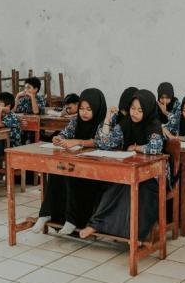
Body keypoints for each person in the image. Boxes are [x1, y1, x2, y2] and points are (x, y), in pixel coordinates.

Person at [80, 89, 165, 240]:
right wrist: (107, 119)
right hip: (131, 170)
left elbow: (155, 147)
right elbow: (104, 143)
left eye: (140, 110)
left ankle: (132, 234)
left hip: (154, 176)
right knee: (114, 185)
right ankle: (97, 224)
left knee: (135, 189)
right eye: (132, 108)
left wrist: (136, 147)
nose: (135, 113)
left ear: (148, 109)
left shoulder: (154, 124)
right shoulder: (127, 123)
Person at [32, 88, 110, 235]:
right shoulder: (76, 121)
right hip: (76, 164)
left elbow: (101, 142)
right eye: (81, 109)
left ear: (97, 108)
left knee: (70, 175)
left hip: (95, 171)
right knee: (56, 172)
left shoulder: (103, 123)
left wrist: (78, 141)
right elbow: (65, 133)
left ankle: (72, 220)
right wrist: (59, 138)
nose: (84, 113)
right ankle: (45, 214)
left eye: (88, 109)